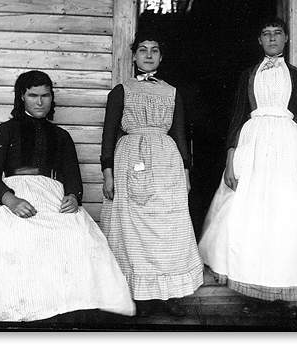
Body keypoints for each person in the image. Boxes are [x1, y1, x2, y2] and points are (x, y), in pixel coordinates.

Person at [0, 70, 136, 322]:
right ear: (21, 97)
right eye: (33, 95)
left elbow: (71, 175)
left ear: (51, 98)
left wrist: (73, 196)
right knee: (14, 241)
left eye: (45, 95)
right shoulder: (6, 131)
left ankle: (62, 308)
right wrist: (10, 200)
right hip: (11, 196)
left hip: (50, 195)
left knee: (78, 238)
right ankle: (24, 307)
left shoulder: (60, 136)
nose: (39, 101)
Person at [198, 17, 297, 307]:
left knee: (283, 208)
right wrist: (229, 159)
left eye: (277, 33)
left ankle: (282, 280)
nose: (272, 38)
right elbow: (237, 117)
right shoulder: (248, 74)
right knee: (243, 204)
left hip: (287, 145)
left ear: (286, 38)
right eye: (266, 34)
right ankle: (241, 272)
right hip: (251, 144)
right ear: (259, 40)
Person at [99, 31, 203, 316]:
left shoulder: (172, 92)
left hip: (166, 161)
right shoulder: (122, 90)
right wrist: (107, 172)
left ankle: (168, 292)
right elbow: (109, 134)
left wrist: (186, 171)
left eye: (154, 50)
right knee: (131, 228)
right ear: (133, 56)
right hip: (130, 159)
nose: (148, 55)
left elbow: (180, 133)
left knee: (168, 228)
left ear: (161, 56)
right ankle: (135, 295)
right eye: (142, 50)